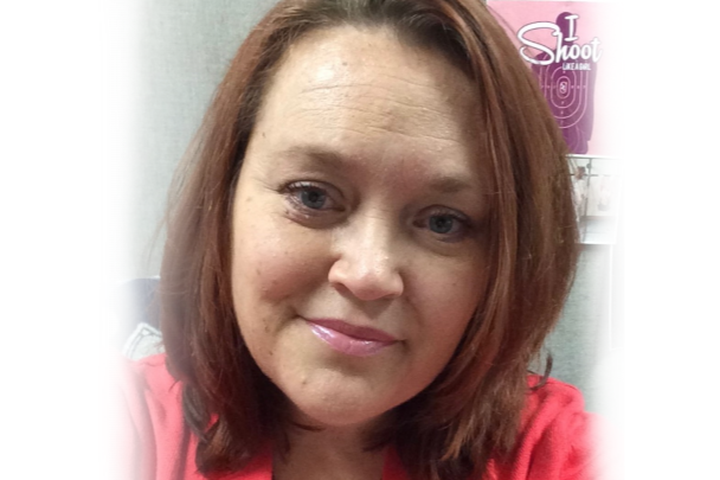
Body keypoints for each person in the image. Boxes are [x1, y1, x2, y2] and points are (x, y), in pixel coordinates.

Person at [121, 1, 592, 479]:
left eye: (442, 222)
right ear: (224, 201)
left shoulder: (557, 453)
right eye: (312, 196)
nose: (368, 275)